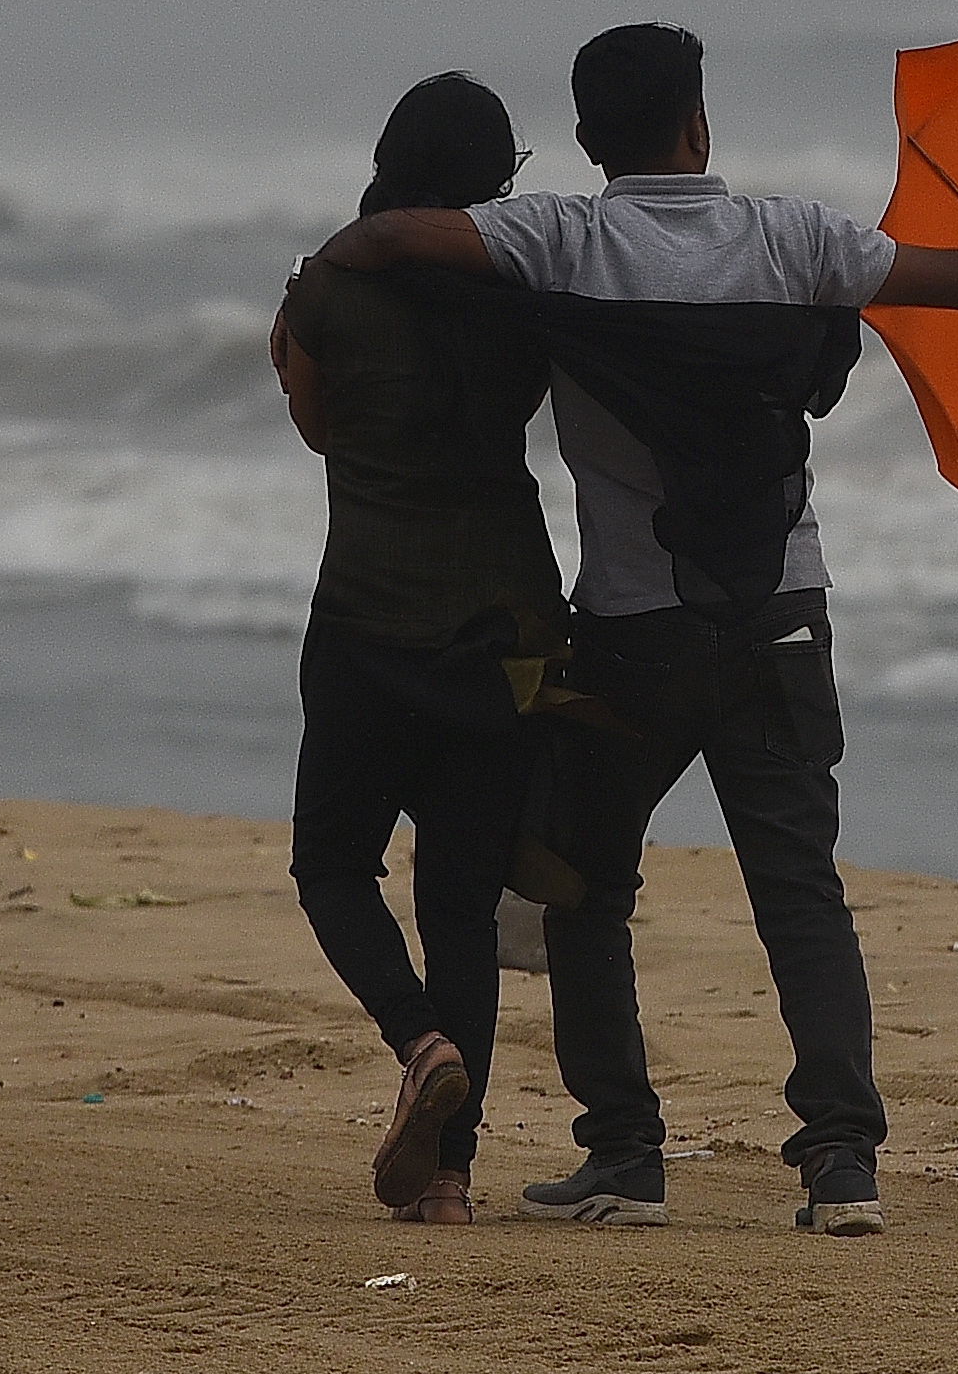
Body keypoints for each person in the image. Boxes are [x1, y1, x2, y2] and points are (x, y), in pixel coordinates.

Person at [314, 23, 958, 1235]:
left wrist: (326, 269)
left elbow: (385, 240)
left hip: (634, 636)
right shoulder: (794, 238)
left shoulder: (563, 239)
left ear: (591, 144)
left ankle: (627, 1160)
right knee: (798, 889)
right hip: (783, 621)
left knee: (590, 895)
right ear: (698, 127)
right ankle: (842, 1166)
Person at [271, 72, 563, 1226]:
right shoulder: (527, 295)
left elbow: (318, 426)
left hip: (367, 626)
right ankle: (450, 1176)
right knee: (460, 902)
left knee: (333, 866)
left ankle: (417, 1038)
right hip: (503, 631)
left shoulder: (328, 286)